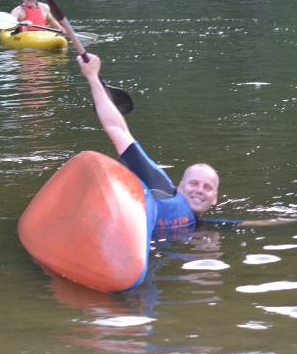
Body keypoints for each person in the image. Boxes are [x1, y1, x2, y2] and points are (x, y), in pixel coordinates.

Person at [78, 52, 219, 230]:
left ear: (215, 197)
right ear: (180, 187)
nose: (199, 190)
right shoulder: (160, 186)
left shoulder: (199, 225)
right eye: (193, 183)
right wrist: (92, 77)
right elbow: (117, 130)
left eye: (207, 187)